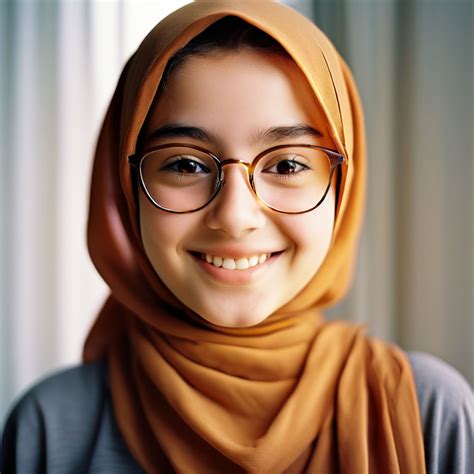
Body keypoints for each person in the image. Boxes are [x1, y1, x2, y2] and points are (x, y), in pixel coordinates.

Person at [1, 1, 473, 473]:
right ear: (126, 190)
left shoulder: (424, 415)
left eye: (287, 164)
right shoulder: (51, 428)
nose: (234, 216)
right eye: (185, 164)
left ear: (343, 187)